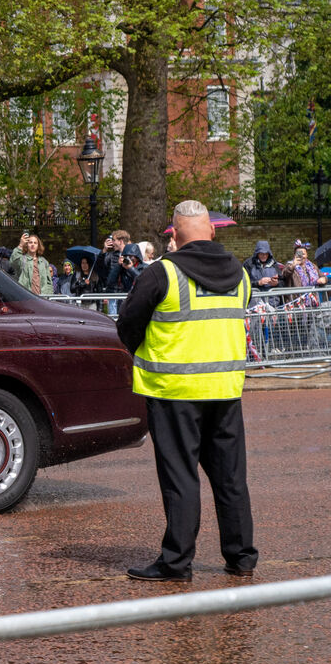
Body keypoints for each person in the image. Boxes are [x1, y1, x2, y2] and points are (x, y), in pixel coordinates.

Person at [118, 200, 256, 581]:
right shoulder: (241, 274)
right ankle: (241, 557)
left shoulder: (161, 273)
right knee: (230, 478)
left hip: (173, 391)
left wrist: (145, 352)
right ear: (212, 231)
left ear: (174, 236)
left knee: (180, 477)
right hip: (225, 390)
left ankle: (176, 562)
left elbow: (128, 323)